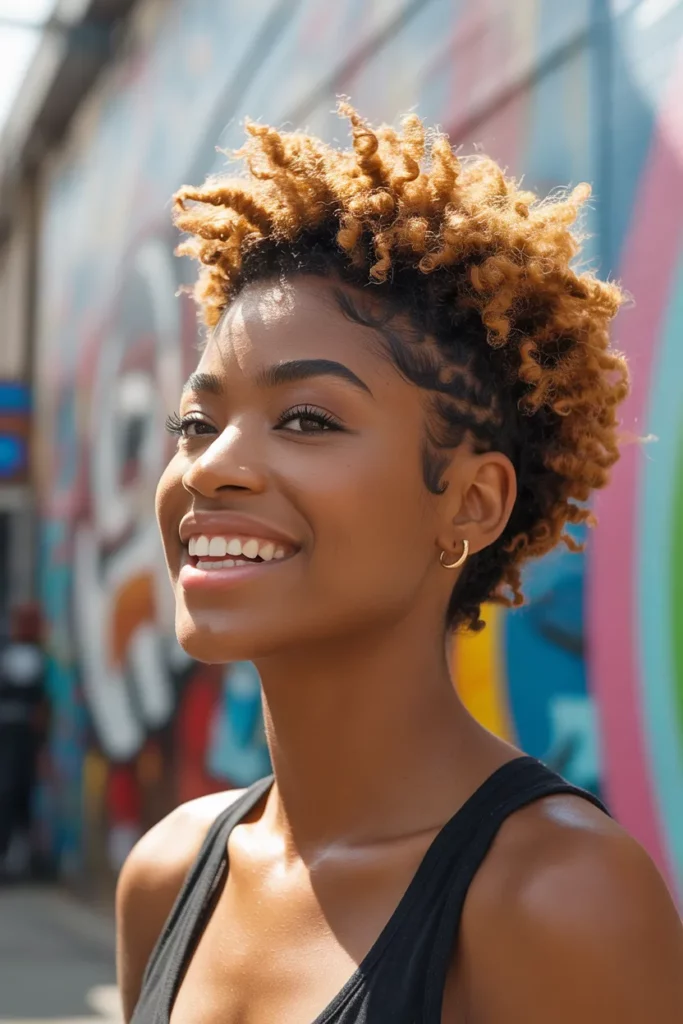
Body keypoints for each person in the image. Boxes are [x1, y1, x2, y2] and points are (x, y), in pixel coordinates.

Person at [116, 105, 683, 1023]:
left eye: (308, 419)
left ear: (471, 504)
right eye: (198, 421)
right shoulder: (169, 870)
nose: (211, 465)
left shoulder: (555, 900)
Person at [0, 604, 47, 879]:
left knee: (21, 794)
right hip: (7, 736)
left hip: (24, 739)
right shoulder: (8, 653)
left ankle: (19, 858)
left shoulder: (37, 657)